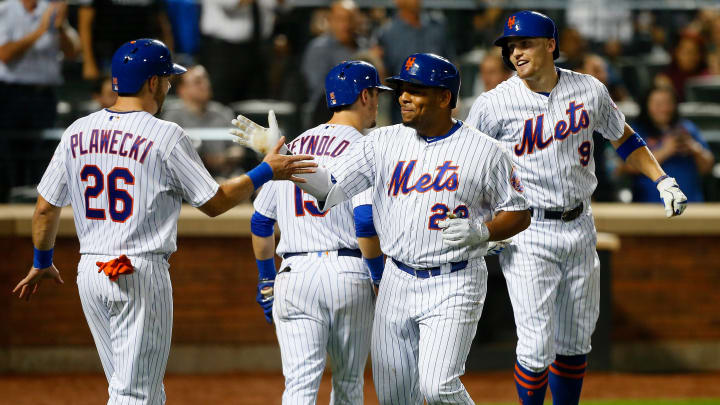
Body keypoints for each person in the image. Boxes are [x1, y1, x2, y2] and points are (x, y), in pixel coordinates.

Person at [11, 39, 315, 405]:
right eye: (168, 78)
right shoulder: (165, 134)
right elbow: (215, 203)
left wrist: (42, 261)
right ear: (152, 82)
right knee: (134, 394)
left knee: (139, 389)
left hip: (90, 270)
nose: (170, 85)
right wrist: (267, 169)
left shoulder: (76, 131)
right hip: (137, 271)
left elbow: (45, 207)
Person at [236, 53, 532, 404]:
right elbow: (329, 186)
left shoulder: (485, 150)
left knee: (437, 388)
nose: (403, 96)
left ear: (444, 97)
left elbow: (519, 212)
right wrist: (278, 157)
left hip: (455, 279)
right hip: (396, 280)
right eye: (401, 89)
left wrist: (481, 231)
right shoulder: (381, 142)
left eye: (415, 90)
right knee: (393, 397)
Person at [465, 11, 688, 405]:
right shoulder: (493, 104)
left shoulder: (589, 90)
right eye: (510, 47)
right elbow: (467, 167)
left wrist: (662, 178)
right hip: (528, 229)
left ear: (551, 45)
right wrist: (485, 220)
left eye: (525, 43)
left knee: (575, 342)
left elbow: (624, 138)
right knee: (535, 347)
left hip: (581, 224)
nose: (515, 53)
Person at [250, 60, 390, 404]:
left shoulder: (294, 146)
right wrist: (378, 277)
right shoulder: (366, 147)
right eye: (376, 95)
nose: (378, 103)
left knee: (298, 386)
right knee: (348, 383)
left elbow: (260, 221)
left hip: (294, 274)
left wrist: (266, 279)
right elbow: (365, 221)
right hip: (349, 272)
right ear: (366, 95)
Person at [625, 85, 714, 202]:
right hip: (650, 205)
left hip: (691, 203)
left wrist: (694, 149)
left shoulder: (687, 128)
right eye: (657, 104)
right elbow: (627, 167)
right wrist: (666, 150)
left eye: (668, 103)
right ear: (646, 105)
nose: (664, 109)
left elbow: (707, 167)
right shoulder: (635, 131)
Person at [0, 0, 80, 129]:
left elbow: (73, 53)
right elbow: (4, 55)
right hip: (10, 94)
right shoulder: (5, 9)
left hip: (45, 95)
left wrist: (61, 27)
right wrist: (40, 30)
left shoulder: (51, 8)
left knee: (46, 146)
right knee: (8, 145)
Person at [374, 0, 454, 123]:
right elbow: (384, 76)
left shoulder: (438, 25)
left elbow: (451, 64)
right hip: (402, 109)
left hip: (437, 104)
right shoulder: (387, 33)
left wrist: (454, 98)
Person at [77, 0, 173, 81]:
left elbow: (163, 25)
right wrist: (88, 62)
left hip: (144, 57)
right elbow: (85, 24)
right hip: (108, 57)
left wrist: (169, 61)